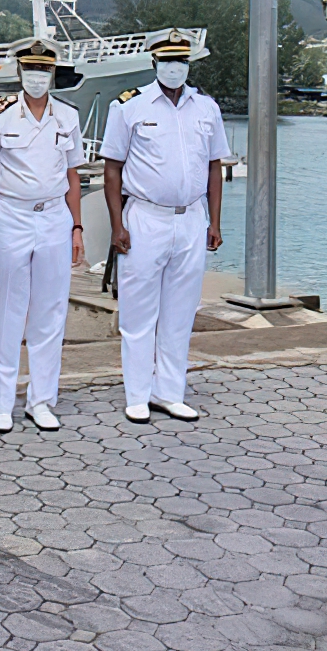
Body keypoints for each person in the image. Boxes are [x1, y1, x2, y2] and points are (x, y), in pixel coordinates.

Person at [101, 30, 227, 425]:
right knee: (138, 314)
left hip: (191, 218)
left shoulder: (206, 108)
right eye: (168, 60)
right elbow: (112, 170)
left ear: (189, 65)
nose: (175, 68)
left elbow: (214, 168)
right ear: (154, 62)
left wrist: (215, 222)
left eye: (182, 61)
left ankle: (169, 392)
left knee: (180, 312)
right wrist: (116, 225)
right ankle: (137, 395)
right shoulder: (129, 107)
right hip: (145, 218)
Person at [0, 39, 86, 434]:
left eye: (44, 70)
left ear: (53, 74)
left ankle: (41, 400)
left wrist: (77, 227)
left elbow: (73, 176)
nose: (37, 77)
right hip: (11, 217)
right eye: (31, 70)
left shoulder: (68, 117)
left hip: (54, 217)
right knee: (7, 312)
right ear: (20, 72)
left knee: (50, 311)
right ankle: (3, 402)